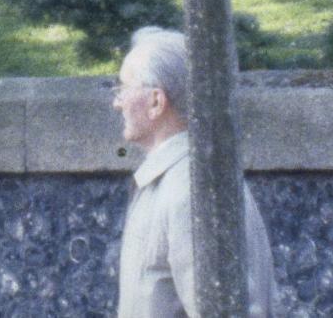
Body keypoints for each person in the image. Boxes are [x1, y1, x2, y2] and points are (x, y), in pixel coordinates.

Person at [112, 26, 279, 318]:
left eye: (124, 88)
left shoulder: (191, 191)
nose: (117, 102)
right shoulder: (180, 180)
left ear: (156, 102)